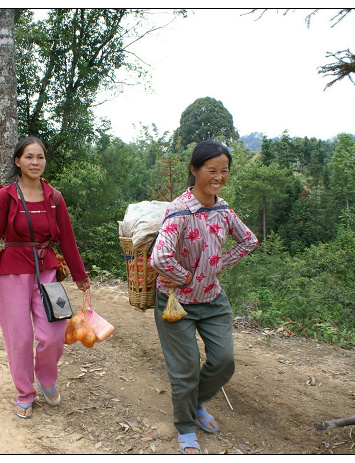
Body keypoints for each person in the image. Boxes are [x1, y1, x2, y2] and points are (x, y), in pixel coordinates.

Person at [149, 140, 258, 454]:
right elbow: (160, 258)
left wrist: (219, 265)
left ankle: (193, 404)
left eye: (224, 170)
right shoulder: (179, 210)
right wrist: (187, 277)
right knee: (185, 369)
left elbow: (248, 240)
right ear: (194, 170)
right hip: (175, 303)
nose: (218, 176)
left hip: (212, 301)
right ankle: (185, 428)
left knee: (224, 362)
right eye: (211, 170)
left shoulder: (224, 209)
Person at [0, 136, 91, 420]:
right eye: (29, 157)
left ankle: (46, 378)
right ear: (18, 161)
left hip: (48, 272)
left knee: (53, 334)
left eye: (40, 157)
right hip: (13, 272)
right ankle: (25, 393)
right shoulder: (6, 196)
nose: (35, 162)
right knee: (20, 337)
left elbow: (67, 239)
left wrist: (80, 274)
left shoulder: (55, 198)